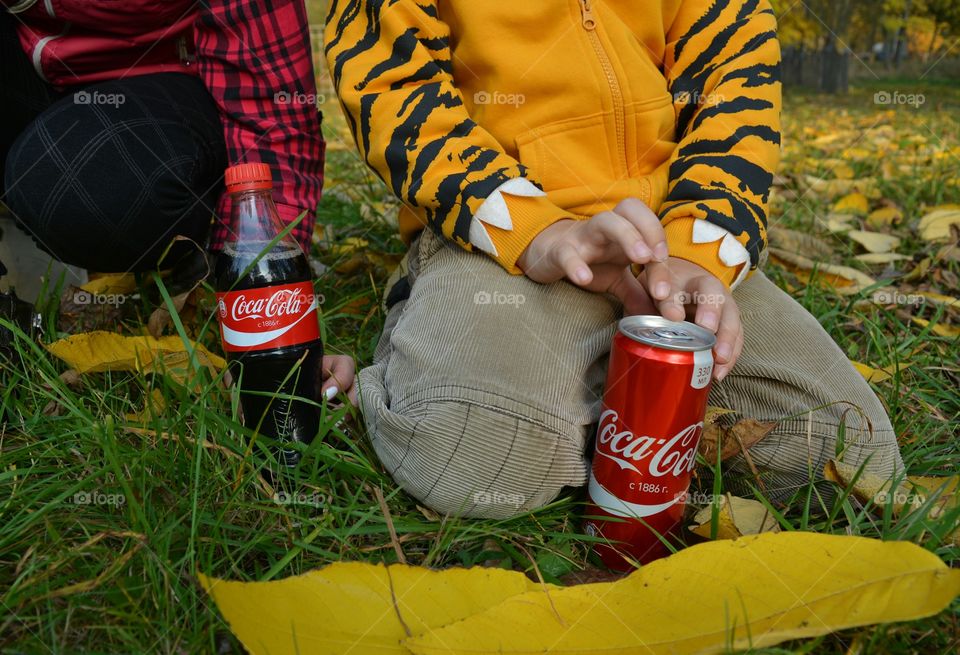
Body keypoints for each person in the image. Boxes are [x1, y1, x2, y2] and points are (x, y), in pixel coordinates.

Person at [325, 0, 904, 518]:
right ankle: (454, 377)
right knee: (469, 457)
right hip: (501, 239)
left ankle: (572, 411)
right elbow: (393, 86)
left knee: (854, 455)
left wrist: (699, 250)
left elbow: (737, 78)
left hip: (667, 243)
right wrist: (535, 230)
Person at [1, 0, 355, 400]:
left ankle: (192, 249)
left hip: (163, 99)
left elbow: (272, 119)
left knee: (77, 187)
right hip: (24, 75)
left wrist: (265, 313)